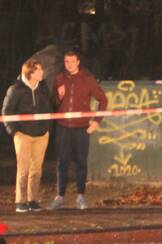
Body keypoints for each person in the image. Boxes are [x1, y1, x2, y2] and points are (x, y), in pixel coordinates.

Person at [49, 49, 107, 210]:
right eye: (66, 62)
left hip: (81, 128)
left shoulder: (88, 79)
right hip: (63, 127)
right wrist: (59, 96)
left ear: (78, 62)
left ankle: (81, 196)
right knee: (62, 162)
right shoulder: (59, 78)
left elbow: (103, 100)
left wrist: (96, 122)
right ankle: (60, 197)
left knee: (81, 162)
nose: (69, 65)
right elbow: (54, 103)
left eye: (72, 61)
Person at [2, 59, 53, 213]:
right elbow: (6, 112)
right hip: (23, 134)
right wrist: (14, 131)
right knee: (23, 169)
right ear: (30, 72)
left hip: (41, 135)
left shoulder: (43, 88)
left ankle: (33, 200)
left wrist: (47, 128)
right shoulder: (15, 90)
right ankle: (20, 201)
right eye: (38, 70)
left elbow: (49, 108)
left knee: (36, 169)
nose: (42, 72)